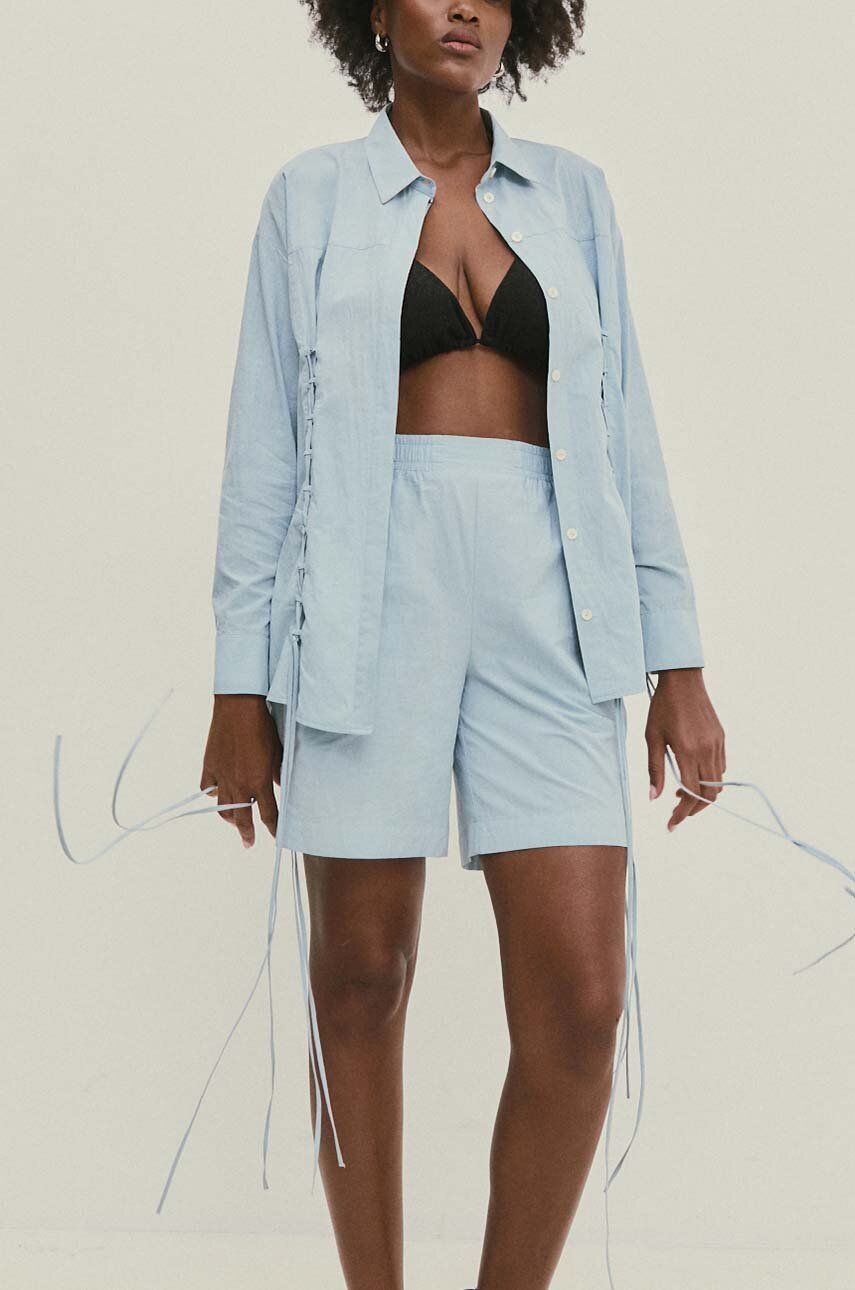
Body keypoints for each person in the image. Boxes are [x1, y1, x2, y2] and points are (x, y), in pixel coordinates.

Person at [194, 1, 726, 1287]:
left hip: (553, 602)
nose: (467, 8)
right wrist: (239, 687)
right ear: (375, 11)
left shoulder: (575, 198)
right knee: (360, 981)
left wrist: (680, 659)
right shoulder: (312, 199)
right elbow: (265, 453)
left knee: (582, 1007)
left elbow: (627, 431)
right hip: (365, 597)